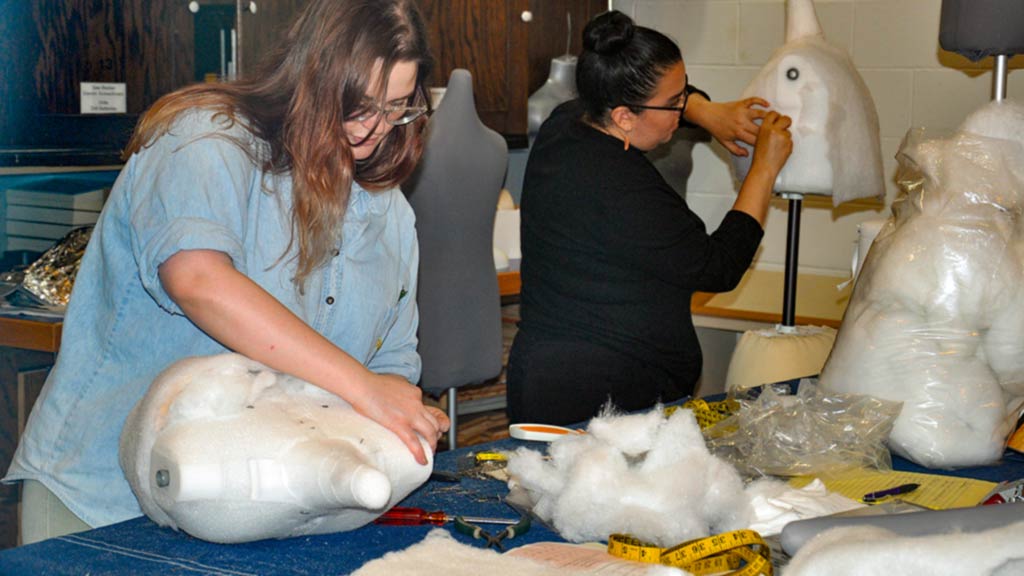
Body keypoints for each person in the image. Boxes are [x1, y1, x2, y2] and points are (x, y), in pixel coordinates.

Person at [4, 0, 448, 544]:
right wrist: (363, 387)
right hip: (106, 507)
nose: (372, 130)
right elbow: (198, 281)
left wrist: (396, 411)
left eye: (395, 108)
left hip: (259, 519)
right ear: (310, 77)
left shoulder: (389, 214)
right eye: (356, 105)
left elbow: (390, 366)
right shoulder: (204, 141)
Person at [506, 10, 794, 425]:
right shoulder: (623, 190)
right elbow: (718, 266)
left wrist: (705, 111)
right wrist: (764, 169)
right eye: (675, 103)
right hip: (598, 399)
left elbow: (663, 97)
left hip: (554, 375)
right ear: (624, 116)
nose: (683, 110)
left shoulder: (566, 123)